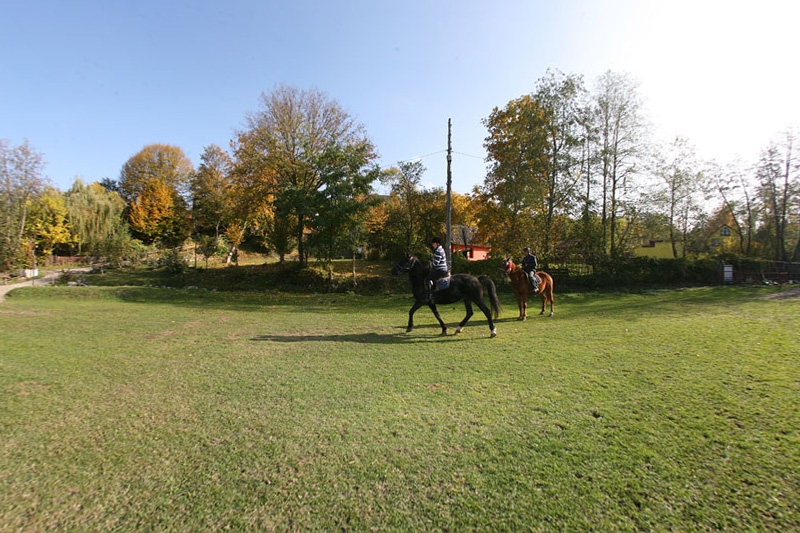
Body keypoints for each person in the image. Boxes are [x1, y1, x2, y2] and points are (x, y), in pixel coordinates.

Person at [425, 237, 449, 301]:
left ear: (437, 244)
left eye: (434, 243)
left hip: (440, 270)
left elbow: (436, 263)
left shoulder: (438, 251)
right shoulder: (441, 249)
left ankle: (430, 295)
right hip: (442, 269)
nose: (433, 245)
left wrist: (430, 265)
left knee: (428, 278)